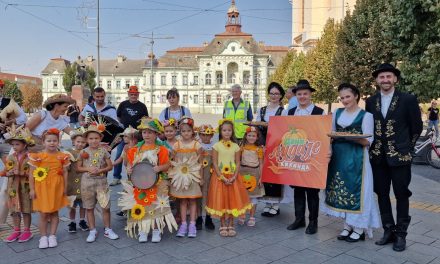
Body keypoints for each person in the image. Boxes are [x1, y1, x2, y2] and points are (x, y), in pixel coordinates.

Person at [366, 63, 423, 252]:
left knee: (401, 194)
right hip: (378, 157)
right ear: (377, 80)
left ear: (395, 79)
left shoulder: (408, 99)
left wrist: (408, 148)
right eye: (381, 77)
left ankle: (401, 234)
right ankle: (388, 230)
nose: (385, 80)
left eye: (388, 76)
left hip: (400, 157)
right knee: (381, 194)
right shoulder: (371, 101)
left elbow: (416, 127)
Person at [321, 83, 380, 242]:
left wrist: (348, 136)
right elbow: (330, 136)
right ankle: (348, 225)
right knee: (342, 191)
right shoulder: (336, 113)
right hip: (339, 158)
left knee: (358, 191)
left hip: (357, 159)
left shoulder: (366, 116)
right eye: (342, 97)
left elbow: (368, 142)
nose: (344, 100)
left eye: (347, 96)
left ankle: (359, 228)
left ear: (356, 96)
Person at [122, 117, 177, 243]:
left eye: (150, 132)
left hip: (158, 183)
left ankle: (156, 230)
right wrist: (129, 170)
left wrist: (159, 168)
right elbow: (129, 164)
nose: (146, 135)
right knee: (142, 205)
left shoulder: (161, 149)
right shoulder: (135, 149)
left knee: (156, 206)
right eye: (144, 132)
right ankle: (143, 230)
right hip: (140, 183)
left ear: (156, 134)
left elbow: (168, 165)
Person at [285, 79, 324, 235]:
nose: (302, 96)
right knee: (298, 190)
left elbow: (323, 136)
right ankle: (299, 219)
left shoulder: (319, 112)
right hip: (296, 156)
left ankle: (313, 221)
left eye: (305, 94)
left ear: (310, 95)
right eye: (299, 94)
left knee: (312, 192)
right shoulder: (291, 112)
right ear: (296, 96)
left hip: (313, 156)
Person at [206, 119, 252, 237]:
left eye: (229, 130)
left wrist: (234, 176)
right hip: (219, 177)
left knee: (232, 200)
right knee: (221, 200)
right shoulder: (216, 146)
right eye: (224, 130)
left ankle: (231, 223)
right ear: (220, 132)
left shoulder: (236, 146)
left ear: (232, 132)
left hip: (233, 178)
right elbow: (215, 163)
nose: (227, 132)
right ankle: (222, 224)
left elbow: (237, 162)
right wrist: (221, 177)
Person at [28, 128, 71, 249]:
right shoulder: (37, 156)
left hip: (56, 188)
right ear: (43, 142)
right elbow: (31, 174)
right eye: (49, 141)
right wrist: (32, 189)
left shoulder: (62, 156)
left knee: (54, 212)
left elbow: (65, 173)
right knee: (43, 214)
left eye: (54, 140)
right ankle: (43, 237)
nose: (52, 143)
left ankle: (52, 235)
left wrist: (65, 187)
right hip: (41, 188)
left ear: (58, 142)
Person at [76, 123, 119, 243]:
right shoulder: (83, 152)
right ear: (86, 140)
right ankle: (92, 230)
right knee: (89, 208)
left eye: (96, 138)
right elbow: (78, 168)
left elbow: (110, 166)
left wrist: (101, 170)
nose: (93, 141)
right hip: (87, 184)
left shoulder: (104, 151)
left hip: (101, 183)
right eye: (90, 138)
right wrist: (88, 169)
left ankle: (108, 229)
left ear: (100, 138)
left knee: (105, 207)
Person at [169, 117, 202, 238]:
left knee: (193, 200)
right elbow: (172, 160)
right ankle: (183, 224)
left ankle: (192, 224)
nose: (186, 133)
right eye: (183, 131)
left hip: (193, 176)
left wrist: (201, 178)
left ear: (192, 131)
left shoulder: (196, 145)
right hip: (180, 177)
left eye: (188, 131)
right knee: (182, 200)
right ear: (180, 132)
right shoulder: (176, 145)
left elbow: (201, 163)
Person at [256, 82, 285, 217]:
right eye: (272, 93)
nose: (274, 96)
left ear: (280, 96)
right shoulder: (262, 110)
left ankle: (276, 204)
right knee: (264, 173)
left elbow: (284, 130)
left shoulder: (283, 111)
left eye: (277, 94)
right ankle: (268, 203)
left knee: (275, 174)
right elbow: (256, 126)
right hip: (262, 144)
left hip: (276, 146)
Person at [111, 86, 149, 186]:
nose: (133, 96)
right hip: (125, 135)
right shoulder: (123, 104)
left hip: (137, 136)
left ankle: (138, 176)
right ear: (128, 95)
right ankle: (116, 177)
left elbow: (145, 118)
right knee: (119, 154)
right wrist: (123, 126)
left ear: (138, 95)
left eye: (135, 94)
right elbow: (118, 116)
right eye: (131, 94)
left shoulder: (142, 106)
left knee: (138, 156)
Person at [2, 125, 34, 243]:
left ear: (25, 144)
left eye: (17, 144)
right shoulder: (10, 157)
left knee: (26, 209)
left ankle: (27, 231)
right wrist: (8, 172)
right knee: (14, 210)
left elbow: (34, 173)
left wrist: (22, 173)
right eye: (13, 145)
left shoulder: (30, 157)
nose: (14, 147)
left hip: (25, 187)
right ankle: (16, 230)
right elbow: (5, 171)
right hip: (13, 188)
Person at [238, 126, 265, 227]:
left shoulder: (259, 149)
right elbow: (238, 160)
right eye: (249, 135)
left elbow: (261, 163)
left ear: (257, 137)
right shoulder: (242, 147)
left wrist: (261, 177)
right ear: (246, 136)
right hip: (243, 172)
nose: (251, 137)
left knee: (253, 197)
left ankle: (252, 216)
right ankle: (242, 215)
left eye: (254, 136)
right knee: (243, 196)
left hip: (255, 173)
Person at [65, 130, 89, 233]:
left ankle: (82, 220)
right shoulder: (67, 152)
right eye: (78, 141)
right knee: (72, 205)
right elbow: (65, 168)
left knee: (83, 204)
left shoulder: (86, 153)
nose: (80, 144)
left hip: (83, 183)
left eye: (83, 142)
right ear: (73, 141)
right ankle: (72, 222)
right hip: (71, 183)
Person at [0, 79, 27, 164]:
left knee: (12, 167)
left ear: (1, 89)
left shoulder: (9, 102)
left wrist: (12, 121)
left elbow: (24, 118)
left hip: (6, 141)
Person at [196, 124, 216, 230]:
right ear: (199, 135)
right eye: (203, 135)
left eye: (208, 135)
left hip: (210, 175)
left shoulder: (214, 146)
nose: (205, 137)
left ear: (212, 136)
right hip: (199, 175)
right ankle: (199, 218)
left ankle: (209, 217)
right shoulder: (197, 145)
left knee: (209, 196)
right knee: (198, 196)